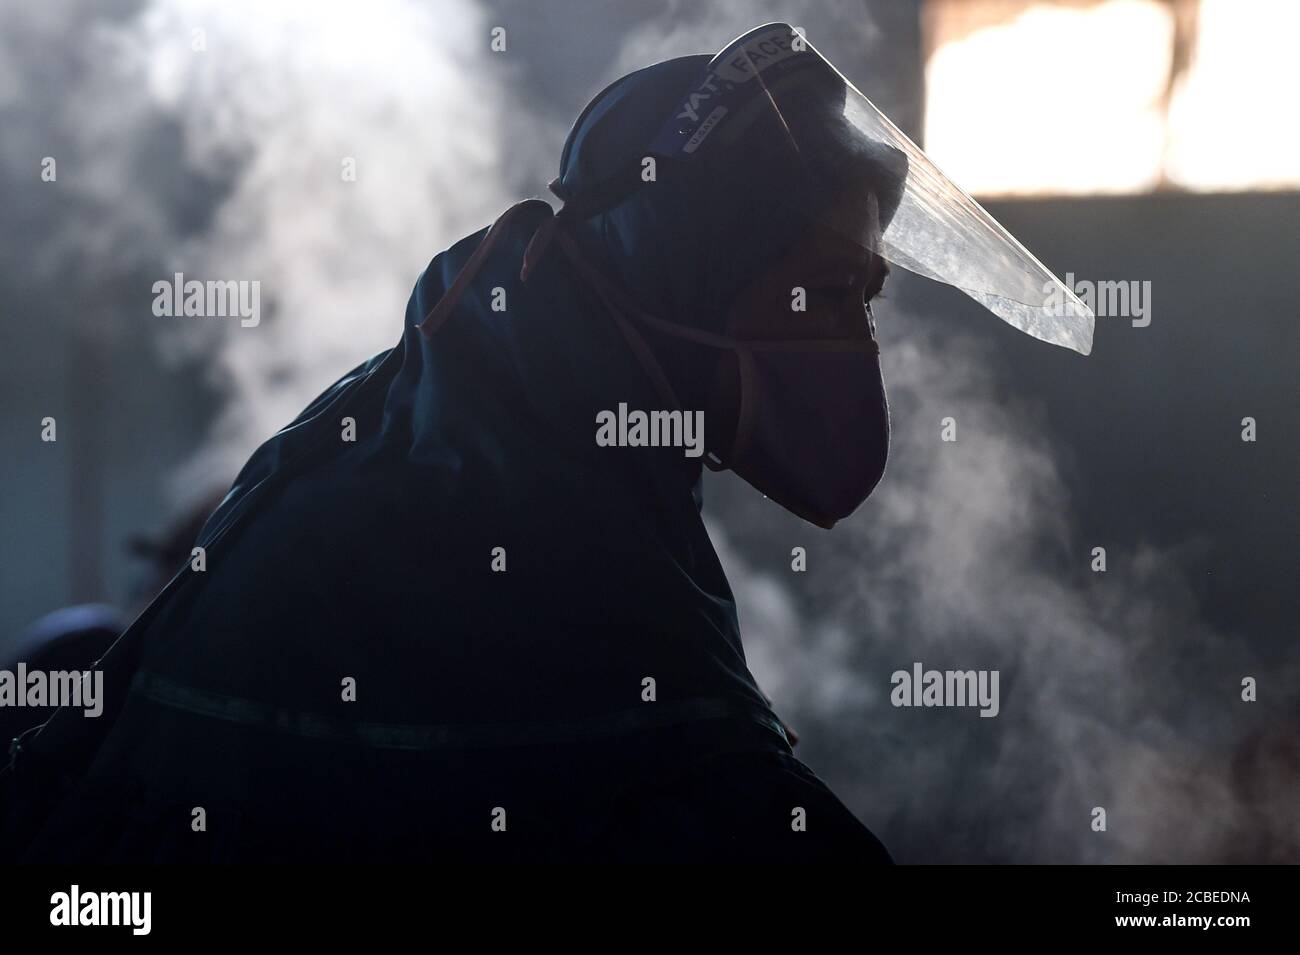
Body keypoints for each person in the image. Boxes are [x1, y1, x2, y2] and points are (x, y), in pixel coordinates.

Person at [3, 22, 1058, 864]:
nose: (855, 347)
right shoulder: (522, 538)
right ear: (680, 274)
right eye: (825, 293)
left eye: (867, 299)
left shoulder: (471, 435)